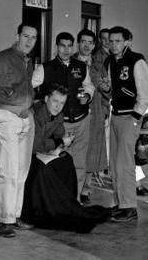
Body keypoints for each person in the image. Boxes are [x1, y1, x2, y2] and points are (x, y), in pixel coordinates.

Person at [22, 83, 109, 232]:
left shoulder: (57, 115)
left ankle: (67, 204)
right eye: (55, 101)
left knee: (66, 160)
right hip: (26, 155)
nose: (58, 106)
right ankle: (47, 208)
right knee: (45, 170)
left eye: (62, 103)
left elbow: (58, 132)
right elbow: (35, 145)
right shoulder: (35, 114)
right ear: (46, 98)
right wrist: (60, 142)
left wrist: (61, 142)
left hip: (42, 153)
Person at [0, 23, 38, 238]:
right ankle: (4, 219)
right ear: (17, 36)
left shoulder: (28, 61)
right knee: (7, 171)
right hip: (6, 117)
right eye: (26, 36)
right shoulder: (4, 58)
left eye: (33, 37)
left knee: (21, 171)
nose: (29, 41)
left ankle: (14, 215)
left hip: (25, 117)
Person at [40, 32, 95, 201]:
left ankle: (75, 199)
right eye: (63, 45)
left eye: (69, 46)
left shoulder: (80, 66)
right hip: (59, 124)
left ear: (73, 47)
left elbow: (89, 87)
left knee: (79, 163)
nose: (66, 49)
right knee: (58, 161)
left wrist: (87, 96)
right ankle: (59, 201)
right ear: (57, 46)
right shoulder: (45, 67)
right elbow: (31, 88)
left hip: (81, 120)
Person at [106, 26, 148, 222]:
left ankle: (130, 207)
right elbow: (112, 90)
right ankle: (120, 203)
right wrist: (105, 88)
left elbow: (145, 93)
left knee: (125, 164)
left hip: (129, 118)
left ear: (127, 42)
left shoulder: (137, 60)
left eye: (118, 41)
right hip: (115, 116)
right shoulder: (111, 62)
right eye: (111, 41)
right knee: (115, 164)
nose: (114, 45)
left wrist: (136, 117)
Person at [75, 29, 112, 203]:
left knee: (93, 151)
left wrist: (104, 109)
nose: (87, 45)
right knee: (76, 150)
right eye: (83, 41)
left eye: (90, 42)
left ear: (94, 44)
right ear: (78, 43)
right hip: (76, 111)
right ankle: (73, 188)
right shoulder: (71, 62)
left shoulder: (99, 65)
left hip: (95, 110)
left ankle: (86, 189)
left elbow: (107, 90)